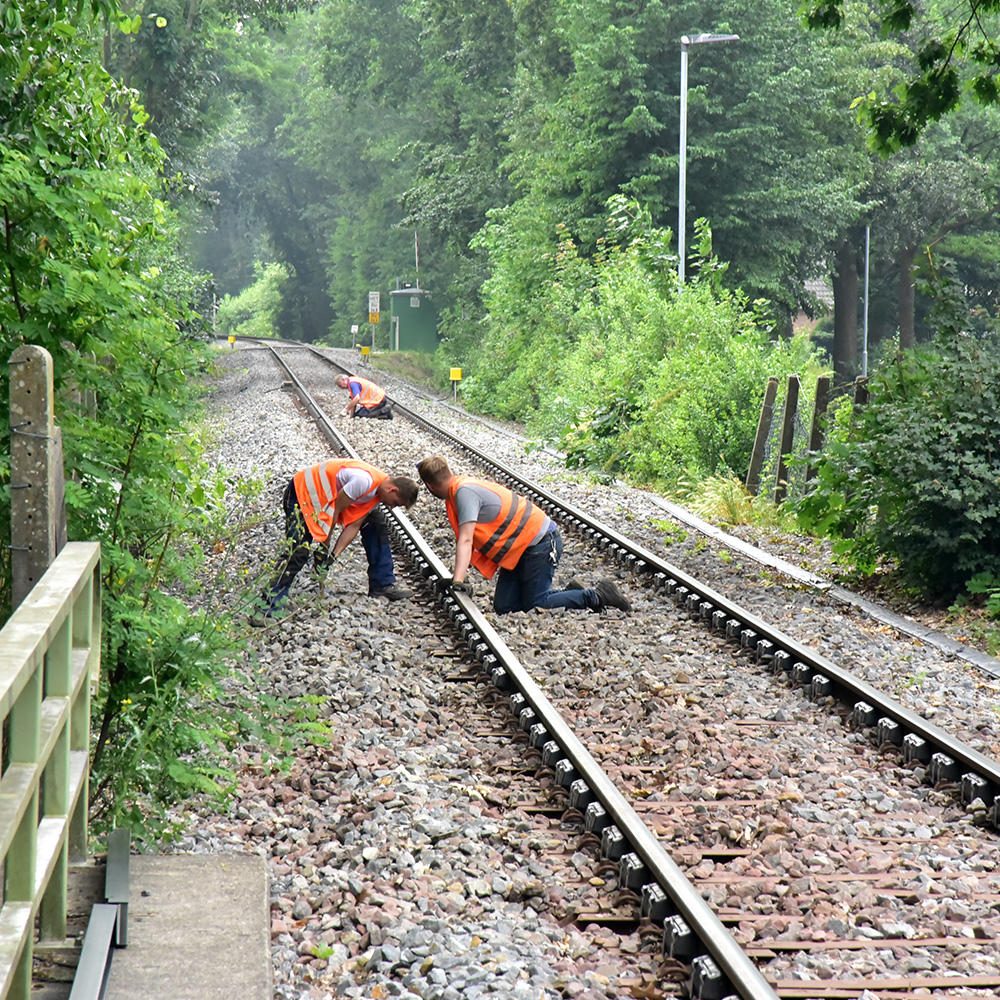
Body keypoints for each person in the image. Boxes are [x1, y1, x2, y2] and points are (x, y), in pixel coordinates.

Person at [415, 455, 631, 615]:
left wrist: (458, 579)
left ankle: (597, 595)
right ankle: (569, 593)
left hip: (542, 543)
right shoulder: (461, 487)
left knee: (536, 604)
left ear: (429, 486)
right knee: (505, 607)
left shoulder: (464, 493)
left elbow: (466, 539)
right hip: (520, 549)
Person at [250, 458, 419, 626]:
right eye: (396, 503)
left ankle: (382, 584)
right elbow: (333, 512)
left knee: (376, 523)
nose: (393, 507)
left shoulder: (377, 492)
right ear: (393, 490)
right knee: (298, 551)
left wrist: (332, 557)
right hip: (302, 493)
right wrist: (324, 548)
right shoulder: (364, 481)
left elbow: (354, 525)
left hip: (325, 499)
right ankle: (266, 607)